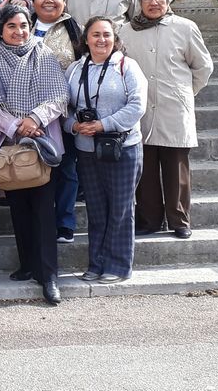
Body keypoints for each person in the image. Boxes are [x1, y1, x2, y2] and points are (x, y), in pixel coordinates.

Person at [0, 4, 69, 305]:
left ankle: (49, 275)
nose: (19, 32)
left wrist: (35, 120)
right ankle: (27, 264)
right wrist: (17, 125)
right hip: (8, 142)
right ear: (0, 30)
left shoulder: (44, 55)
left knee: (43, 210)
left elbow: (59, 95)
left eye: (24, 26)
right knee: (18, 206)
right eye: (12, 26)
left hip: (41, 141)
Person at [120, 0, 213, 238]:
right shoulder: (127, 31)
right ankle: (149, 220)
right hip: (141, 108)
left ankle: (179, 220)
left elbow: (203, 67)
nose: (153, 2)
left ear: (168, 0)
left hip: (175, 105)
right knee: (145, 167)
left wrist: (186, 92)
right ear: (139, 2)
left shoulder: (185, 27)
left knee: (176, 167)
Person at [65, 17, 147, 282]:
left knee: (120, 209)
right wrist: (74, 126)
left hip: (122, 147)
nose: (102, 40)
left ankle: (118, 265)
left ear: (115, 38)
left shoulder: (127, 66)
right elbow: (63, 106)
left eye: (107, 35)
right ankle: (96, 263)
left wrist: (103, 124)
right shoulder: (76, 69)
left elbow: (137, 106)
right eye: (96, 35)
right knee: (97, 209)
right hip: (87, 149)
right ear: (85, 39)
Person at [30, 0, 84, 243]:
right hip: (26, 113)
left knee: (66, 168)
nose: (48, 0)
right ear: (32, 0)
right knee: (32, 167)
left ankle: (64, 222)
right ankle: (37, 222)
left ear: (64, 2)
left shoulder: (76, 30)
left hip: (64, 111)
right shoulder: (22, 25)